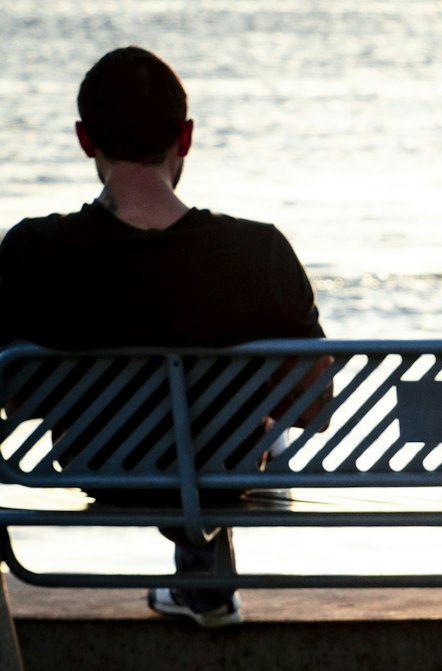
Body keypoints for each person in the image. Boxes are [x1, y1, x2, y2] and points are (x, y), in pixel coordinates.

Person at [0, 46, 328, 627]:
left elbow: (11, 395)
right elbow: (313, 408)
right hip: (223, 467)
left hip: (100, 467)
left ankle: (200, 573)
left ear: (84, 138)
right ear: (186, 136)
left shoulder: (32, 253)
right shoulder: (259, 252)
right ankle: (204, 568)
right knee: (233, 431)